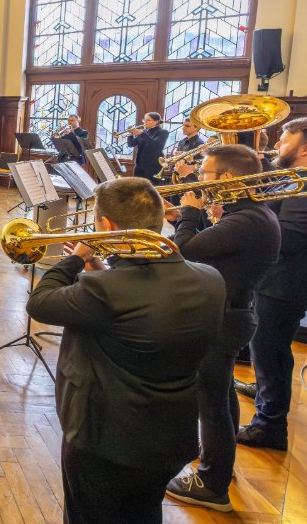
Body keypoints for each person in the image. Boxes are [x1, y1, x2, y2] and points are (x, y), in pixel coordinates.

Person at [26, 177, 226, 522]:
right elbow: (142, 310)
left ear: (106, 225)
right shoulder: (210, 278)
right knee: (144, 514)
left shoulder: (106, 291)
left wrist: (77, 259)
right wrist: (100, 269)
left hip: (104, 440)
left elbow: (40, 303)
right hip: (170, 436)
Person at [164, 145, 280, 512]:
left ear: (227, 178)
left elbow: (184, 252)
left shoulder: (246, 221)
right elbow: (206, 249)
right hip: (232, 313)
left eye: (207, 174)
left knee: (210, 402)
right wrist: (195, 218)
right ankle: (220, 463)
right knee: (222, 394)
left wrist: (188, 213)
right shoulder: (248, 215)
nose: (200, 179)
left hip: (223, 318)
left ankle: (212, 484)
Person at [238, 117, 307, 452]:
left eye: (285, 139)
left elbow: (290, 236)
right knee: (267, 349)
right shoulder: (291, 178)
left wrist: (247, 221)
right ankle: (267, 393)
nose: (278, 144)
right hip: (273, 278)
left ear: (304, 148)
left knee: (271, 350)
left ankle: (270, 426)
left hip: (283, 283)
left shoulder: (304, 184)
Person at [127, 112, 170, 185]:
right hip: (139, 165)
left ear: (156, 121)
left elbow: (157, 146)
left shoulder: (163, 132)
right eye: (144, 120)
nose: (145, 122)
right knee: (137, 187)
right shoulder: (144, 131)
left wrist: (141, 134)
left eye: (148, 120)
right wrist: (130, 135)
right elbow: (132, 144)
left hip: (153, 166)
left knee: (150, 188)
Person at [169, 120, 208, 184]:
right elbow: (178, 158)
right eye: (183, 125)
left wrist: (186, 159)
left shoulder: (200, 143)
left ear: (197, 128)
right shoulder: (181, 141)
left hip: (189, 177)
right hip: (178, 173)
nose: (183, 128)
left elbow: (199, 164)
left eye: (187, 126)